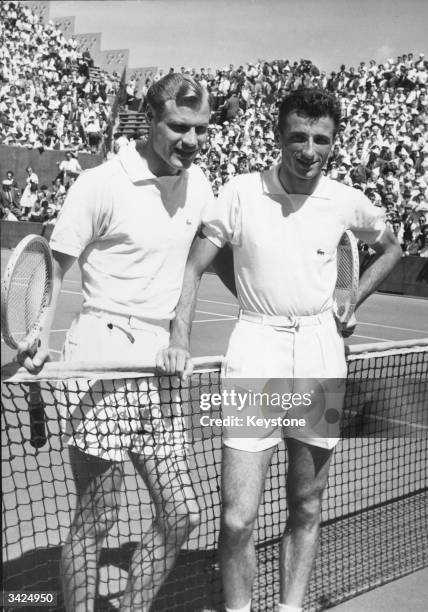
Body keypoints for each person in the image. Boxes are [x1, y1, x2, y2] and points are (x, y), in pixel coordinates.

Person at [157, 89, 402, 612]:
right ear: (278, 137)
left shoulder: (344, 199)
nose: (309, 150)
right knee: (237, 518)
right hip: (255, 353)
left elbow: (392, 247)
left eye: (321, 139)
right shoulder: (240, 194)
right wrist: (179, 338)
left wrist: (351, 295)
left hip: (319, 353)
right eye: (298, 137)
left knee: (307, 504)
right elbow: (194, 266)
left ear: (333, 144)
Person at [17, 73, 213, 612]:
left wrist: (179, 335)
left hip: (162, 369)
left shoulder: (200, 185)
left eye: (200, 129)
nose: (190, 141)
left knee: (181, 513)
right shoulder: (100, 183)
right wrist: (37, 334)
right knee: (98, 518)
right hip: (100, 362)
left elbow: (199, 264)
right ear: (149, 120)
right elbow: (53, 272)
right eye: (178, 127)